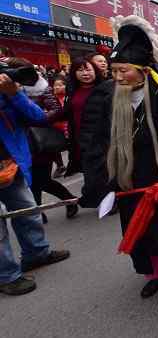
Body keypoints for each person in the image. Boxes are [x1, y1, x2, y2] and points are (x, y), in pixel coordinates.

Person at [80, 15, 158, 298]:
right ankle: (157, 271)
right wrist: (98, 184)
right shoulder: (109, 97)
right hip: (128, 181)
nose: (117, 77)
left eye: (123, 70)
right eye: (113, 71)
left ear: (142, 69)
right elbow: (97, 142)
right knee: (142, 232)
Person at [0, 57, 69, 296]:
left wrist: (13, 94)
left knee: (28, 210)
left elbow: (38, 117)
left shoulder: (7, 93)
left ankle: (36, 254)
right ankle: (7, 276)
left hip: (11, 164)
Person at [18, 69, 77, 223]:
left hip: (40, 141)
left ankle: (67, 200)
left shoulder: (41, 89)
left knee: (41, 180)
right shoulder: (7, 92)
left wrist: (35, 116)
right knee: (32, 180)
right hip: (20, 142)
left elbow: (57, 111)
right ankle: (39, 212)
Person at [57, 58, 104, 176]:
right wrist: (43, 118)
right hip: (79, 140)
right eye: (80, 70)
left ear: (95, 71)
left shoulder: (105, 88)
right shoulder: (72, 90)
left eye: (88, 69)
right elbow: (66, 111)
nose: (85, 73)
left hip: (101, 142)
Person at [51, 77, 69, 178]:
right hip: (55, 128)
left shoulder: (69, 97)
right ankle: (60, 165)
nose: (57, 87)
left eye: (60, 85)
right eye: (55, 85)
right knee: (53, 147)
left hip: (67, 127)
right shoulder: (51, 99)